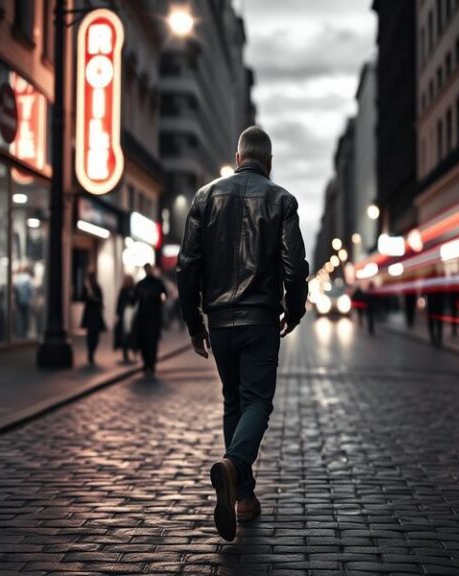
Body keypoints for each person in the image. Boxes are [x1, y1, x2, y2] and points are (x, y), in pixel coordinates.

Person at [177, 126, 308, 541]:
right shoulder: (281, 200)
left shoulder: (204, 197)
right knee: (257, 403)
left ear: (237, 158)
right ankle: (234, 467)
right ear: (267, 162)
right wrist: (294, 309)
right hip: (259, 320)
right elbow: (294, 266)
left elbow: (187, 266)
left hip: (219, 321)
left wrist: (194, 324)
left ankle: (244, 497)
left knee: (233, 400)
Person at [131, 264, 167, 375]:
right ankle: (147, 363)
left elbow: (164, 295)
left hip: (154, 318)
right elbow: (134, 299)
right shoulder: (141, 284)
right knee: (144, 341)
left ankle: (151, 364)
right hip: (143, 318)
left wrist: (159, 299)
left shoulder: (157, 283)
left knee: (152, 342)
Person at [81, 271, 105, 364]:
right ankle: (90, 352)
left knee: (95, 335)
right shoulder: (87, 287)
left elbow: (100, 300)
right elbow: (83, 298)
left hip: (95, 313)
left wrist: (94, 299)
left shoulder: (97, 287)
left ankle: (92, 351)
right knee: (90, 334)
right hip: (90, 313)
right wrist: (89, 298)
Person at [115, 275, 137, 364]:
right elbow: (119, 302)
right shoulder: (123, 290)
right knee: (125, 334)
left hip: (131, 314)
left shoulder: (133, 290)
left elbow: (134, 300)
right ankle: (125, 353)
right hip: (124, 314)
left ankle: (129, 351)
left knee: (130, 334)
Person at [424, 268, 445, 346]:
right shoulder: (439, 279)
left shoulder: (428, 279)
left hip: (431, 304)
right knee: (439, 322)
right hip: (439, 304)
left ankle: (433, 337)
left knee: (432, 322)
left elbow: (424, 292)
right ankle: (439, 338)